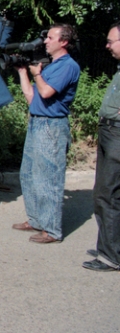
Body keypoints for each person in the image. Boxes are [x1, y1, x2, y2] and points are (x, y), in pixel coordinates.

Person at [12, 24, 80, 244]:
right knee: (29, 174)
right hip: (37, 123)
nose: (45, 41)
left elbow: (46, 91)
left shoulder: (67, 66)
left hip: (51, 127)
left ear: (64, 42)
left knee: (48, 179)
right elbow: (32, 97)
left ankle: (51, 230)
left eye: (50, 38)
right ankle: (36, 220)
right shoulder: (51, 66)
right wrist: (24, 72)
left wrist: (37, 74)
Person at [83, 22, 120, 270]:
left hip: (116, 133)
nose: (107, 46)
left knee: (108, 193)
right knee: (105, 192)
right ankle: (110, 244)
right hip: (109, 131)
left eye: (111, 41)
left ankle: (111, 256)